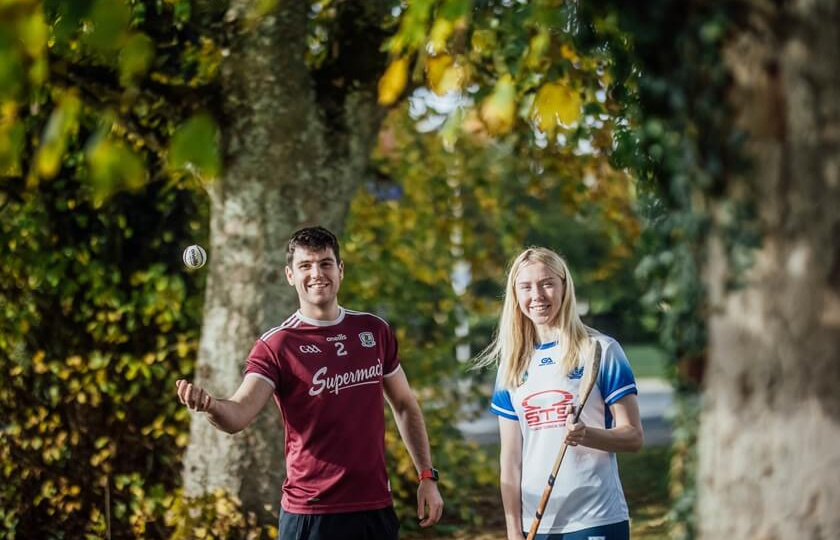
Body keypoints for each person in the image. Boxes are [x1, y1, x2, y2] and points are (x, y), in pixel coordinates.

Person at [176, 226, 444, 540]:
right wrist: (210, 406)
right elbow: (238, 415)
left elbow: (404, 404)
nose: (316, 273)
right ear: (290, 275)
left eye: (325, 263)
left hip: (375, 508)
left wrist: (427, 475)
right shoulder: (277, 345)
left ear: (340, 270)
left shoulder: (374, 330)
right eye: (305, 265)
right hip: (311, 514)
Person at [478, 247, 643, 540]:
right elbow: (511, 459)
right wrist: (514, 531)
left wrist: (586, 435)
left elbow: (633, 436)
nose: (537, 295)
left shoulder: (601, 349)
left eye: (547, 283)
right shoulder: (512, 365)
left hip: (595, 518)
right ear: (515, 295)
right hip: (537, 523)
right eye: (526, 287)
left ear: (565, 288)